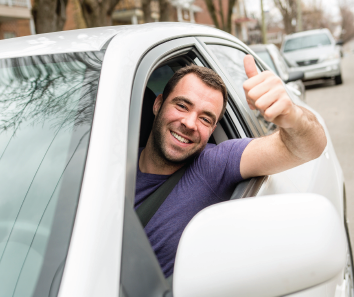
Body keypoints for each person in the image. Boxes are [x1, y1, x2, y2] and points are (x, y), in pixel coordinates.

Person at [135, 55, 327, 278]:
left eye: (205, 119)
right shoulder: (108, 165)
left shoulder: (212, 165)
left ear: (213, 127)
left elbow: (307, 147)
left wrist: (291, 115)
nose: (189, 123)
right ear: (158, 105)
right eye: (181, 106)